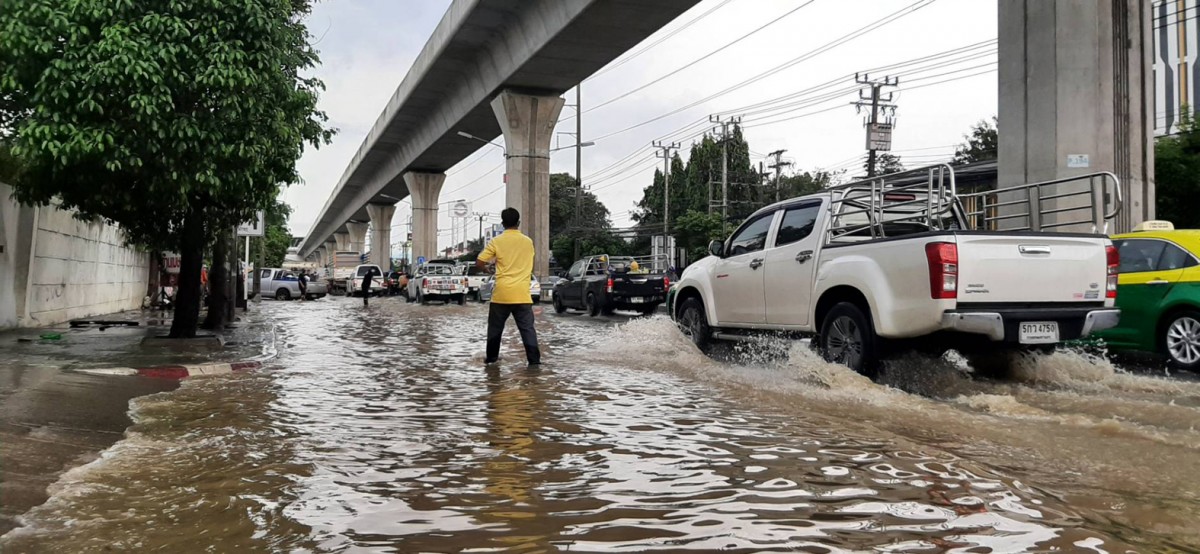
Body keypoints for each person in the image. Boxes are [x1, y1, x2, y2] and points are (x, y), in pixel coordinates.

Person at [476, 207, 540, 366]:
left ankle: (491, 360)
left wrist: (487, 269)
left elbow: (480, 262)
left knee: (495, 331)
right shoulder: (528, 242)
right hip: (522, 294)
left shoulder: (496, 241)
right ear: (518, 222)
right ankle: (534, 362)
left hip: (501, 294)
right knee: (528, 330)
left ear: (502, 223)